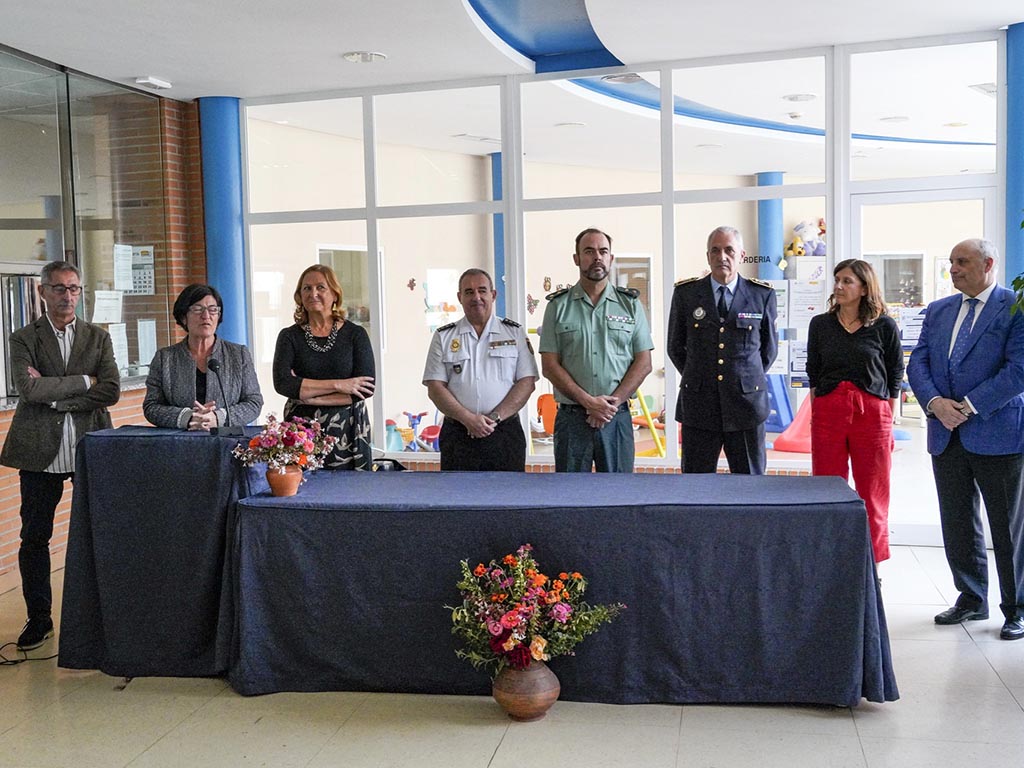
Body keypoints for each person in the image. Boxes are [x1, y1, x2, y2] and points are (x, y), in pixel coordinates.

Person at [907, 238, 1024, 641]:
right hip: (946, 432)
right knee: (957, 521)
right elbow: (918, 361)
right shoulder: (939, 310)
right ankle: (971, 598)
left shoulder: (1015, 307)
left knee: (1008, 528)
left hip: (998, 432)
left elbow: (1019, 370)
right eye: (952, 262)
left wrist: (970, 406)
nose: (953, 269)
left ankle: (1016, 608)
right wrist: (935, 403)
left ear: (988, 264)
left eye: (962, 262)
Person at [0, 261, 120, 651]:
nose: (67, 296)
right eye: (59, 288)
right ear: (42, 292)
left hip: (89, 446)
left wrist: (56, 396)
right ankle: (39, 619)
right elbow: (27, 389)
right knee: (35, 537)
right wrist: (85, 381)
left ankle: (105, 615)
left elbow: (112, 390)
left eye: (74, 288)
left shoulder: (98, 337)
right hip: (39, 452)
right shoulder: (23, 338)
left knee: (101, 532)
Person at [806, 259, 903, 564]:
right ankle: (830, 560)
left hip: (872, 414)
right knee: (827, 489)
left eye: (847, 281)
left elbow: (895, 372)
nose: (838, 286)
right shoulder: (820, 324)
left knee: (873, 493)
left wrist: (888, 415)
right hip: (829, 411)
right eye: (837, 280)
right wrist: (817, 410)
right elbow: (813, 371)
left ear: (864, 287)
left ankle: (872, 564)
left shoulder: (884, 325)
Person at [539, 228, 653, 472]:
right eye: (589, 251)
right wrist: (589, 402)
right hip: (572, 419)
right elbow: (549, 366)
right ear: (577, 259)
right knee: (571, 492)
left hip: (616, 417)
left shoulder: (630, 305)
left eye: (603, 251)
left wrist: (609, 406)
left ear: (611, 258)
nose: (597, 257)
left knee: (617, 492)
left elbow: (644, 362)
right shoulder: (558, 306)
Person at [667, 226, 778, 474]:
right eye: (715, 251)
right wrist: (699, 376)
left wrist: (742, 378)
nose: (722, 257)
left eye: (729, 250)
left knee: (749, 481)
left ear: (742, 255)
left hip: (746, 406)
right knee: (696, 483)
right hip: (699, 405)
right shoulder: (686, 294)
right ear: (708, 256)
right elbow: (675, 347)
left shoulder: (762, 294)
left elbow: (768, 351)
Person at [422, 269, 538, 471]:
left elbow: (526, 383)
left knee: (509, 491)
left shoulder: (515, 332)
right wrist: (468, 419)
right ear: (459, 297)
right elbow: (435, 387)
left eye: (482, 290)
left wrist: (494, 418)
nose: (476, 297)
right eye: (469, 292)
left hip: (504, 433)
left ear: (493, 295)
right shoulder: (444, 336)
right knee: (457, 492)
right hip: (458, 435)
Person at [274, 264, 375, 470]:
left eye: (321, 287)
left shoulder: (355, 335)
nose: (313, 294)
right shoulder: (289, 336)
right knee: (303, 487)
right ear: (300, 296)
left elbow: (365, 389)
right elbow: (283, 384)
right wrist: (340, 385)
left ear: (335, 294)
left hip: (349, 429)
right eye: (307, 288)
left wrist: (309, 395)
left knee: (351, 488)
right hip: (301, 431)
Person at [143, 284, 263, 430]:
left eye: (213, 310)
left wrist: (218, 417)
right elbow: (151, 406)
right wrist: (188, 417)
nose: (206, 316)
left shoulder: (238, 355)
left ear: (218, 316)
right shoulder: (165, 358)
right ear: (184, 317)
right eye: (198, 309)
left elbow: (254, 402)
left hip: (226, 440)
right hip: (178, 440)